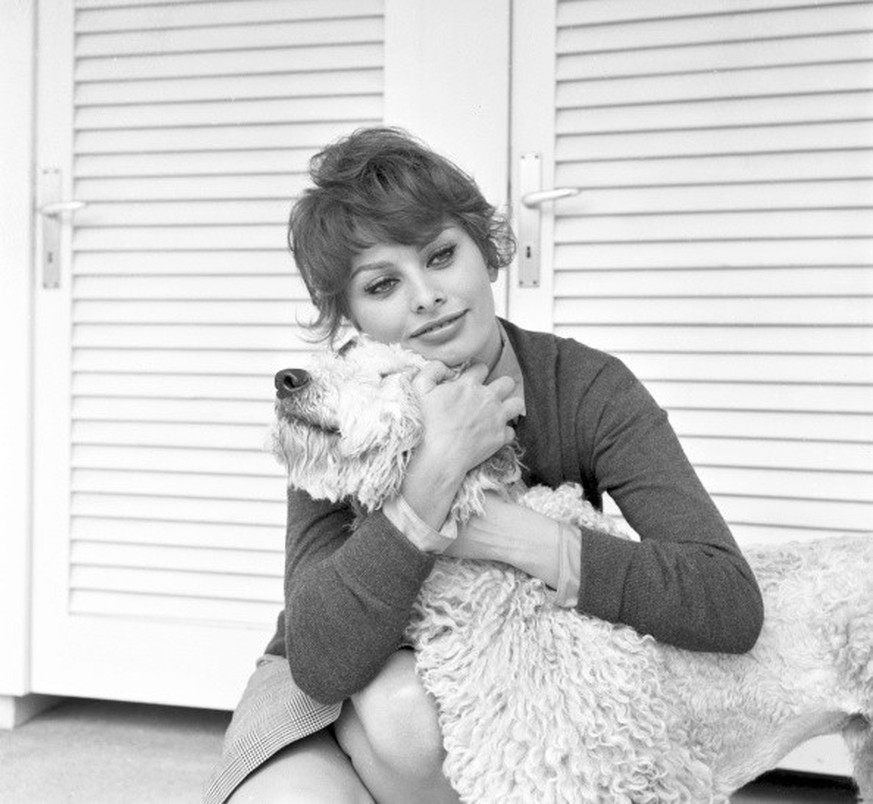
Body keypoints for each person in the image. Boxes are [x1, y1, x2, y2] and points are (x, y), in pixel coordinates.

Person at [205, 127, 764, 804]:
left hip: (515, 686)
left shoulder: (585, 385)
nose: (424, 297)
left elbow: (725, 601)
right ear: (350, 317)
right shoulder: (339, 409)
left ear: (487, 252)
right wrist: (432, 476)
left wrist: (514, 535)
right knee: (386, 716)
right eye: (382, 284)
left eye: (440, 256)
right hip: (345, 695)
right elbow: (321, 661)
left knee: (415, 715)